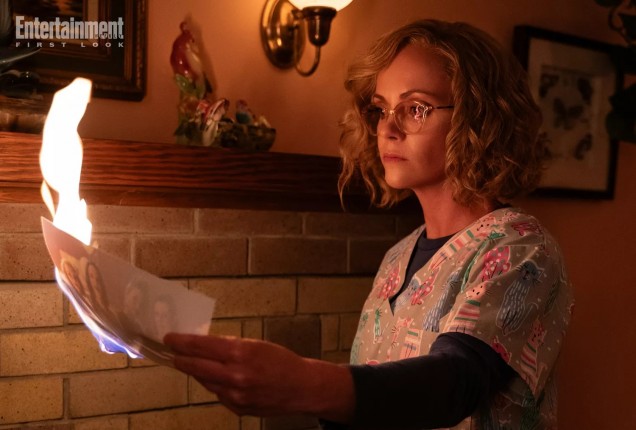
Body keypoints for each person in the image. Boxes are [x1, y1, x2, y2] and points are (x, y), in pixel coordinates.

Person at [164, 19, 574, 429]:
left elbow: (455, 383)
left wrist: (304, 383)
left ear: (479, 120)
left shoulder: (522, 248)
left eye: (415, 108)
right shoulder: (397, 258)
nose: (387, 129)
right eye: (380, 109)